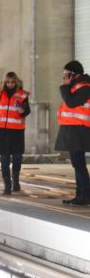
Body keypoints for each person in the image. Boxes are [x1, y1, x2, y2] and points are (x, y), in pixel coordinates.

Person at [56, 61, 90, 206]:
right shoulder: (75, 87)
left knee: (79, 164)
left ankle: (85, 195)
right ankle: (80, 195)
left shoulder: (85, 88)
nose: (64, 78)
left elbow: (71, 103)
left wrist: (65, 87)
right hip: (72, 131)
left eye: (67, 75)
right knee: (77, 164)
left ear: (76, 75)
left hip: (79, 131)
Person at [0, 72, 30, 195]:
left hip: (17, 131)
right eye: (7, 82)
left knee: (17, 157)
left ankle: (16, 180)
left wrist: (23, 110)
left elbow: (27, 110)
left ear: (16, 82)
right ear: (4, 82)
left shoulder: (22, 95)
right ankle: (7, 185)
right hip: (2, 131)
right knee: (4, 158)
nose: (10, 84)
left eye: (12, 82)